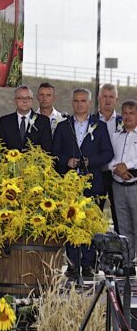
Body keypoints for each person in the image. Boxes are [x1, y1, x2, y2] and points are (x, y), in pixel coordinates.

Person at [52, 88, 113, 279]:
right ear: (72, 103)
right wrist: (66, 161)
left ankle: (88, 264)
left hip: (92, 184)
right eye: (76, 101)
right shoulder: (63, 126)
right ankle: (72, 264)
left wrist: (90, 162)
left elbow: (108, 153)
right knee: (71, 223)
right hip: (69, 185)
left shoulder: (100, 126)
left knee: (89, 224)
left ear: (89, 103)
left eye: (83, 101)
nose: (79, 104)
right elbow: (54, 154)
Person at [108, 99, 137, 277]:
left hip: (135, 185)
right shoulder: (115, 135)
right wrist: (117, 168)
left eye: (131, 113)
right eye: (125, 113)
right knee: (124, 227)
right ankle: (128, 262)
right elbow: (110, 157)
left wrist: (126, 166)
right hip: (118, 185)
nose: (127, 116)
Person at [0, 85, 52, 152]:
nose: (25, 101)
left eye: (28, 98)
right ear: (15, 101)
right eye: (20, 98)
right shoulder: (5, 121)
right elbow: (0, 148)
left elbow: (47, 149)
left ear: (32, 100)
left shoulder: (43, 121)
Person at [97, 83, 121, 233]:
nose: (107, 100)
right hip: (97, 174)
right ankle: (90, 253)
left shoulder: (124, 121)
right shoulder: (90, 120)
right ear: (99, 98)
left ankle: (121, 252)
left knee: (118, 215)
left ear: (116, 100)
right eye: (104, 96)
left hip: (116, 176)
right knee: (94, 213)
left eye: (111, 97)